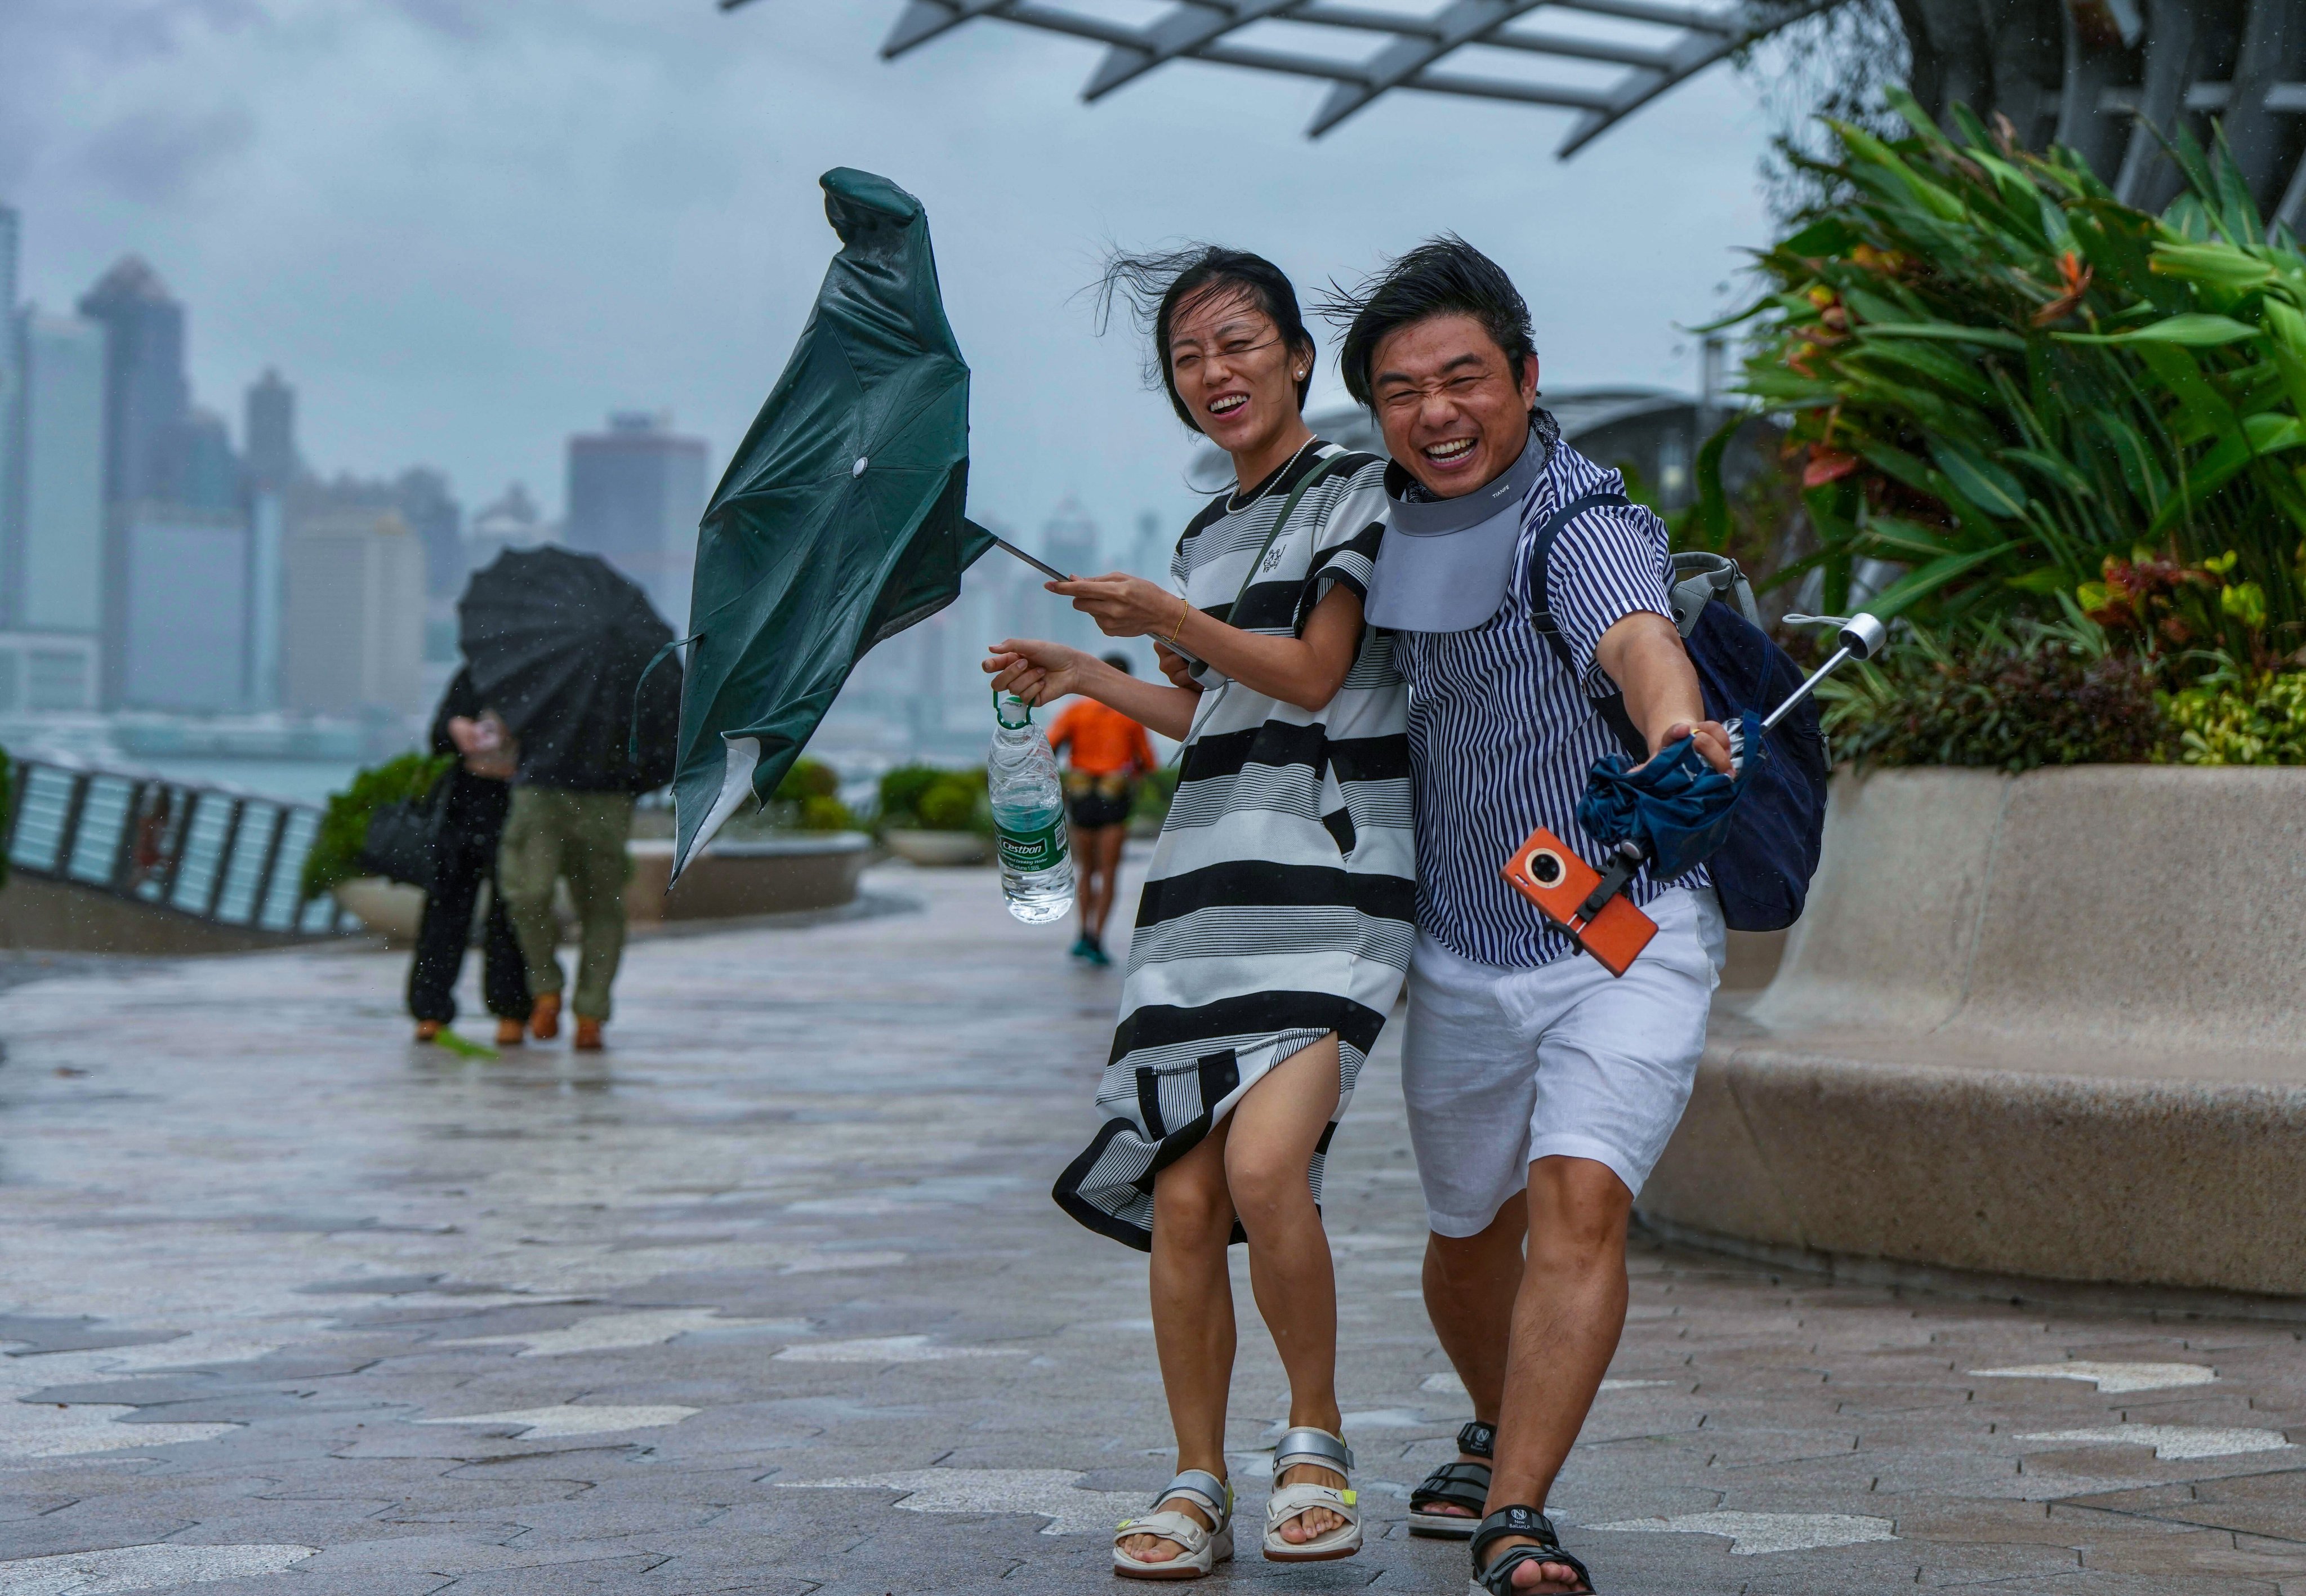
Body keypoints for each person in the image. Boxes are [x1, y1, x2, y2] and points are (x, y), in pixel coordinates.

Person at [984, 246, 1410, 1581]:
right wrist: (1095, 672)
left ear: (1295, 353)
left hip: (1336, 887)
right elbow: (1221, 712)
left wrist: (1170, 616)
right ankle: (1195, 1474)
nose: (1215, 372)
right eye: (1188, 357)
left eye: (1238, 343)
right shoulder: (1205, 533)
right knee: (1181, 1196)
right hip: (1206, 897)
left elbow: (1314, 671)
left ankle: (1318, 1439)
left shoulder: (1360, 491)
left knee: (1265, 1168)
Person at [1324, 239, 1733, 1595]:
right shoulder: (1374, 526)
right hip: (1462, 939)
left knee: (1579, 1195)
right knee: (1463, 1235)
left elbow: (1636, 634)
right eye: (1401, 389)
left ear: (1525, 377)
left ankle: (1517, 1510)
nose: (1437, 412)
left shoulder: (1581, 516)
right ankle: (1502, 1413)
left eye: (1464, 378)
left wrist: (1678, 726)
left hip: (1626, 921)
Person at [409, 667, 530, 1047]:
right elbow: (438, 735)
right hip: (464, 803)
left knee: (509, 911)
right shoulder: (476, 674)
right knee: (445, 908)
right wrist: (455, 728)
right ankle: (430, 1010)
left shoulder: (548, 681)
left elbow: (562, 746)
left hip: (519, 805)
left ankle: (510, 1010)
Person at [1047, 654, 1158, 966]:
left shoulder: (1076, 712)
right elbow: (1147, 762)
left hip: (1081, 793)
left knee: (1087, 870)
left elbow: (1051, 746)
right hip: (1114, 794)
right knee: (1109, 871)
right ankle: (1097, 936)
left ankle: (1083, 933)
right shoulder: (1129, 717)